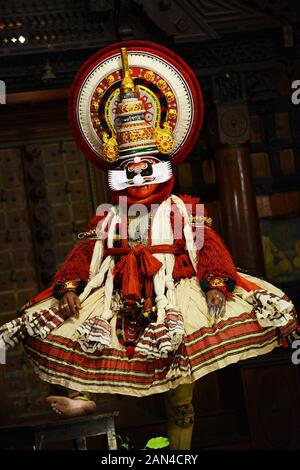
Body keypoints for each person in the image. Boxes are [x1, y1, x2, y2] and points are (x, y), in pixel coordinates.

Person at [0, 42, 299, 450]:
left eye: (145, 169)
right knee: (95, 348)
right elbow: (85, 255)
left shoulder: (182, 208)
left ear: (160, 166)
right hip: (117, 296)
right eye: (129, 170)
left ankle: (178, 453)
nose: (139, 177)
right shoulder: (110, 214)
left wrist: (215, 281)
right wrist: (69, 286)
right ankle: (82, 399)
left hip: (173, 296)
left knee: (181, 393)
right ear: (118, 171)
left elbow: (208, 247)